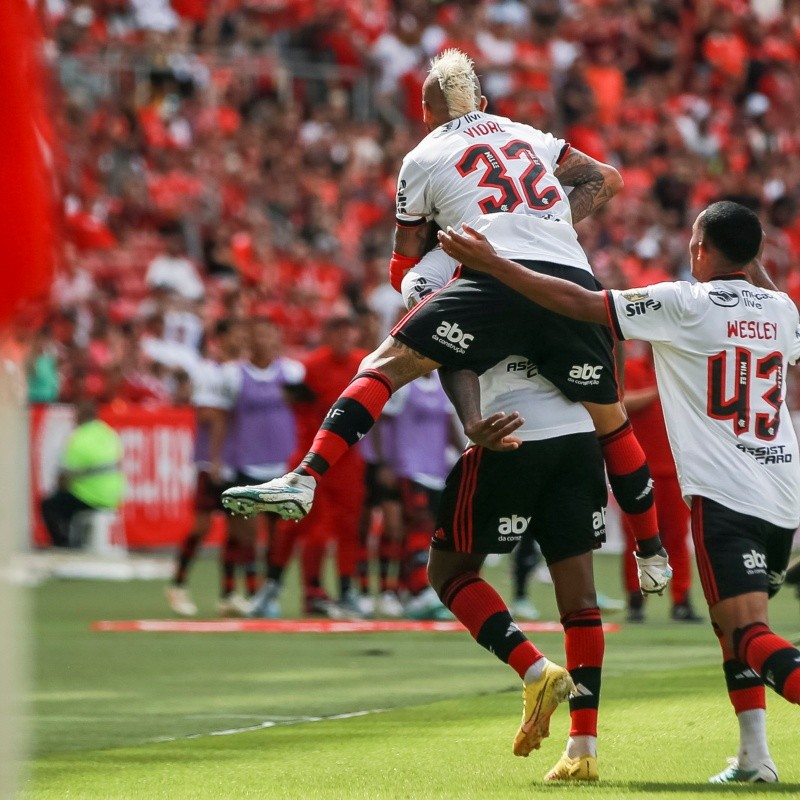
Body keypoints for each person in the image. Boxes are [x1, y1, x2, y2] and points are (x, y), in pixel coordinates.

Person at [222, 48, 672, 600]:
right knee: (612, 419)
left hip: (491, 271)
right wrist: (549, 222)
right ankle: (652, 552)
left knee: (384, 364)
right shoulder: (526, 133)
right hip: (568, 277)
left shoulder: (422, 155)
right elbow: (606, 177)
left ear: (425, 112)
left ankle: (305, 477)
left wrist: (438, 266)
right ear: (482, 103)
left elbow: (401, 263)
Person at [437, 200, 800, 783]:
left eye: (693, 241)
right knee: (731, 627)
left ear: (700, 250)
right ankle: (755, 757)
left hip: (727, 495)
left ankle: (756, 755)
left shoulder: (685, 303)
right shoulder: (783, 310)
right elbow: (760, 295)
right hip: (784, 495)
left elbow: (581, 303)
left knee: (747, 631)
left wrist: (495, 264)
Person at [424, 352, 609, 780]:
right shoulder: (580, 280)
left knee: (449, 572)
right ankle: (582, 750)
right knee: (580, 599)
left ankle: (535, 668)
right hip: (579, 432)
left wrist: (472, 422)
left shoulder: (450, 281)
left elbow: (449, 352)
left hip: (507, 429)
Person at [166, 319, 245, 617]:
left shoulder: (240, 371)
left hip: (238, 458)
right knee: (202, 525)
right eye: (235, 333)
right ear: (221, 339)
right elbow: (209, 415)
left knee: (236, 527)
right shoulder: (207, 372)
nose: (241, 339)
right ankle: (178, 584)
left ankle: (228, 593)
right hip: (211, 460)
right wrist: (215, 459)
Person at [621, 342, 701, 623]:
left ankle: (681, 602)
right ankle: (635, 602)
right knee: (636, 538)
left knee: (677, 539)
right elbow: (620, 403)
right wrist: (659, 391)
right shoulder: (631, 368)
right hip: (636, 467)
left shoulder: (684, 371)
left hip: (676, 471)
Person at [40, 401, 124, 548]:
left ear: (80, 416)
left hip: (89, 498)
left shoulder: (78, 438)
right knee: (68, 500)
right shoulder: (109, 433)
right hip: (114, 498)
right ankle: (79, 540)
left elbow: (63, 478)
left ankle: (64, 545)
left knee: (50, 505)